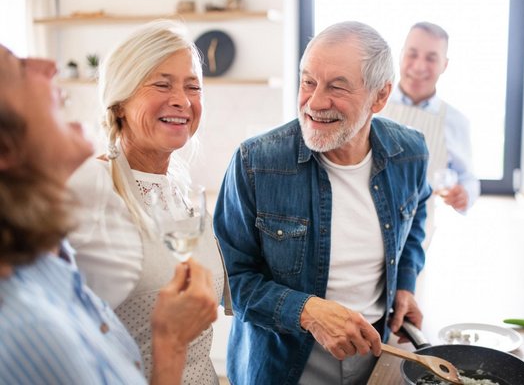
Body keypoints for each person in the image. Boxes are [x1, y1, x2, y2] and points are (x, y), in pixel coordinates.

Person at [214, 21, 431, 385]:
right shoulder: (256, 162)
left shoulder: (410, 153)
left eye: (337, 87)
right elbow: (226, 281)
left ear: (380, 96)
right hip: (283, 364)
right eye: (307, 81)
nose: (314, 102)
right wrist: (307, 312)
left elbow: (416, 216)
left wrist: (406, 284)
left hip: (375, 351)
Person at [0, 44, 218, 384]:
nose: (49, 64)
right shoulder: (32, 330)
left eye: (192, 85)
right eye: (15, 67)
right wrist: (170, 345)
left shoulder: (50, 269)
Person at [65, 20, 232, 384]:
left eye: (193, 87)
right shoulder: (91, 187)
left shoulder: (181, 189)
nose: (182, 100)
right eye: (161, 83)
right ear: (120, 102)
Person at [385, 21, 480, 213]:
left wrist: (464, 194)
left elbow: (468, 178)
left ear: (444, 65)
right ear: (401, 55)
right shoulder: (373, 106)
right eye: (412, 54)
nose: (419, 66)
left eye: (431, 58)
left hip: (423, 230)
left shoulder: (455, 121)